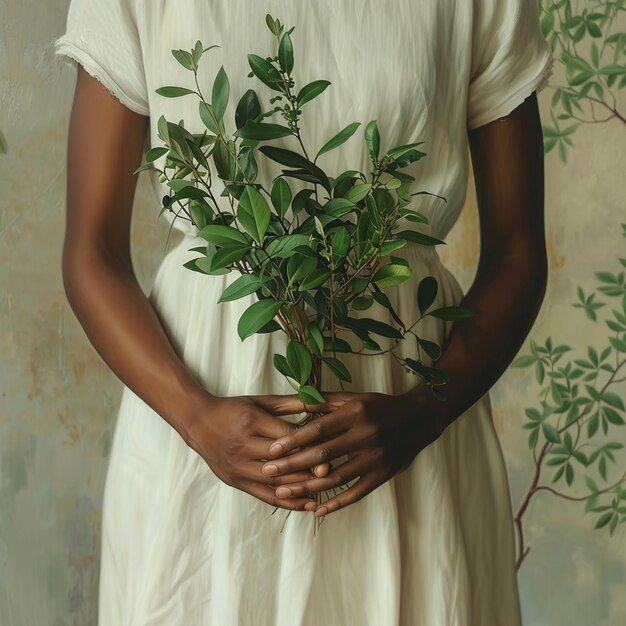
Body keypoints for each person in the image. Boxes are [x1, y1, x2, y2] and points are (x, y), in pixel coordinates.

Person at [53, 0, 553, 624]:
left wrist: (426, 412)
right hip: (197, 425)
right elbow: (90, 251)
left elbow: (519, 252)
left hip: (410, 427)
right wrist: (195, 416)